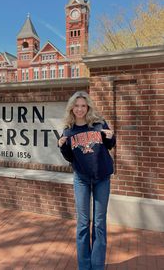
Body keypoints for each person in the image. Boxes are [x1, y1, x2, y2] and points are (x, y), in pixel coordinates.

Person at [58, 91, 116, 270]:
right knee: (83, 224)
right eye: (76, 106)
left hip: (102, 178)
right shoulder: (69, 130)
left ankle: (97, 266)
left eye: (83, 105)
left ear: (88, 107)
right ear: (72, 108)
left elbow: (109, 145)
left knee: (99, 223)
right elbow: (69, 157)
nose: (80, 109)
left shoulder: (98, 124)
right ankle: (84, 266)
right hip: (81, 179)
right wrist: (61, 146)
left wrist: (111, 136)